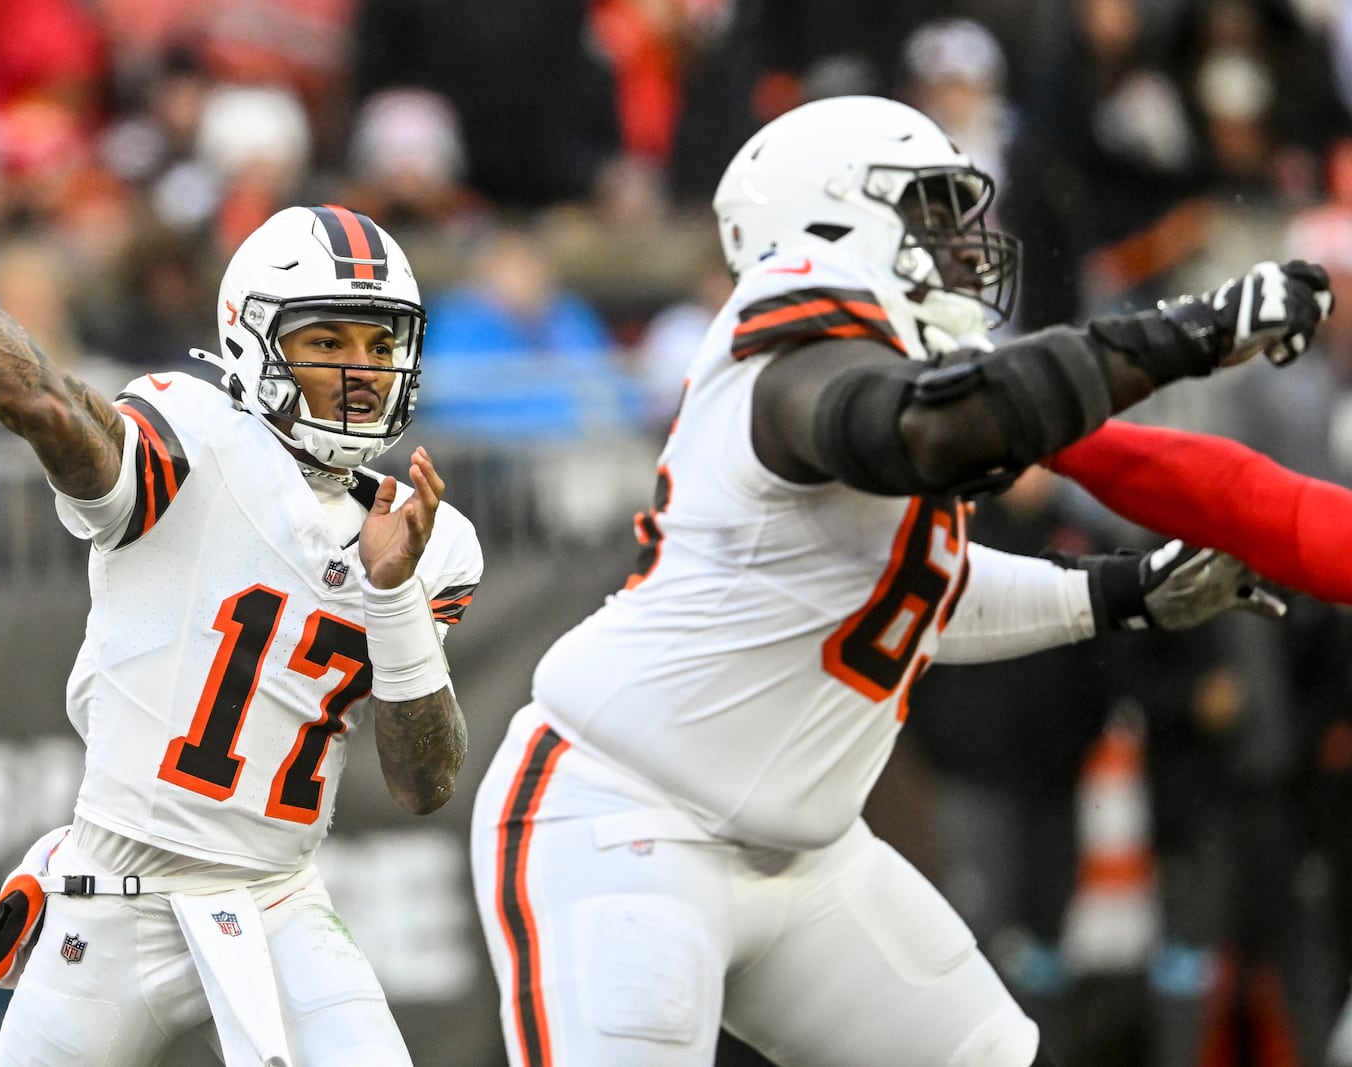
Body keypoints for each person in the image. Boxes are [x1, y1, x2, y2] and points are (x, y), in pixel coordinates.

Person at [466, 94, 1333, 1067]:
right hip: (626, 818)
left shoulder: (889, 361)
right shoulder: (787, 353)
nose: (962, 240)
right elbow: (926, 428)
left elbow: (920, 595)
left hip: (809, 859)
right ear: (829, 217)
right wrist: (1188, 332)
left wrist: (1123, 591)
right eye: (927, 209)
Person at [0, 126, 483, 1066]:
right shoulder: (194, 437)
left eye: (377, 340)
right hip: (109, 895)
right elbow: (47, 405)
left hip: (278, 897)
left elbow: (423, 783)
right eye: (326, 339)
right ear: (254, 340)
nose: (359, 369)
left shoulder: (431, 539)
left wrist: (391, 599)